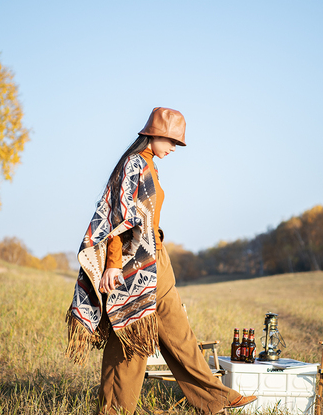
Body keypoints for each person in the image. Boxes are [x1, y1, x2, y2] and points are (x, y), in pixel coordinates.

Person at [66, 107, 257, 414]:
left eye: (176, 143)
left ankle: (216, 399)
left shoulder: (150, 165)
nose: (173, 148)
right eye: (170, 141)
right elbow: (118, 219)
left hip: (156, 263)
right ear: (153, 134)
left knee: (180, 334)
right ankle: (113, 411)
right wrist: (112, 264)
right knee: (132, 341)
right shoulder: (132, 164)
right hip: (131, 267)